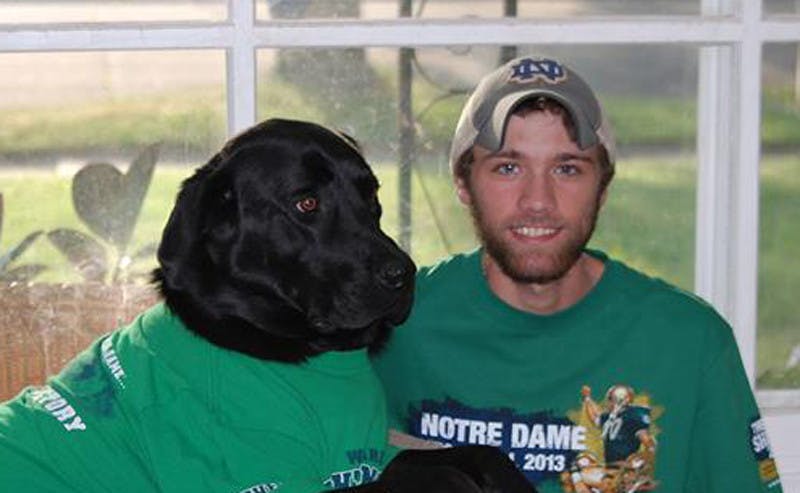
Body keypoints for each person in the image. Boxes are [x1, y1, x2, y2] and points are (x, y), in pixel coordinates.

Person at [372, 55, 783, 493]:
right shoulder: (395, 326)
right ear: (462, 182)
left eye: (567, 168)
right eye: (508, 167)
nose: (538, 201)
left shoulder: (691, 342)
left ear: (603, 187)